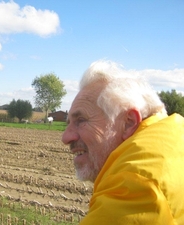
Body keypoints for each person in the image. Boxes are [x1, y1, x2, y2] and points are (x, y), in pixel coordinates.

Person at [61, 60, 184, 224]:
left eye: (81, 120)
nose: (66, 137)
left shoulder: (134, 185)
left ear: (128, 123)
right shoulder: (175, 140)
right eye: (68, 122)